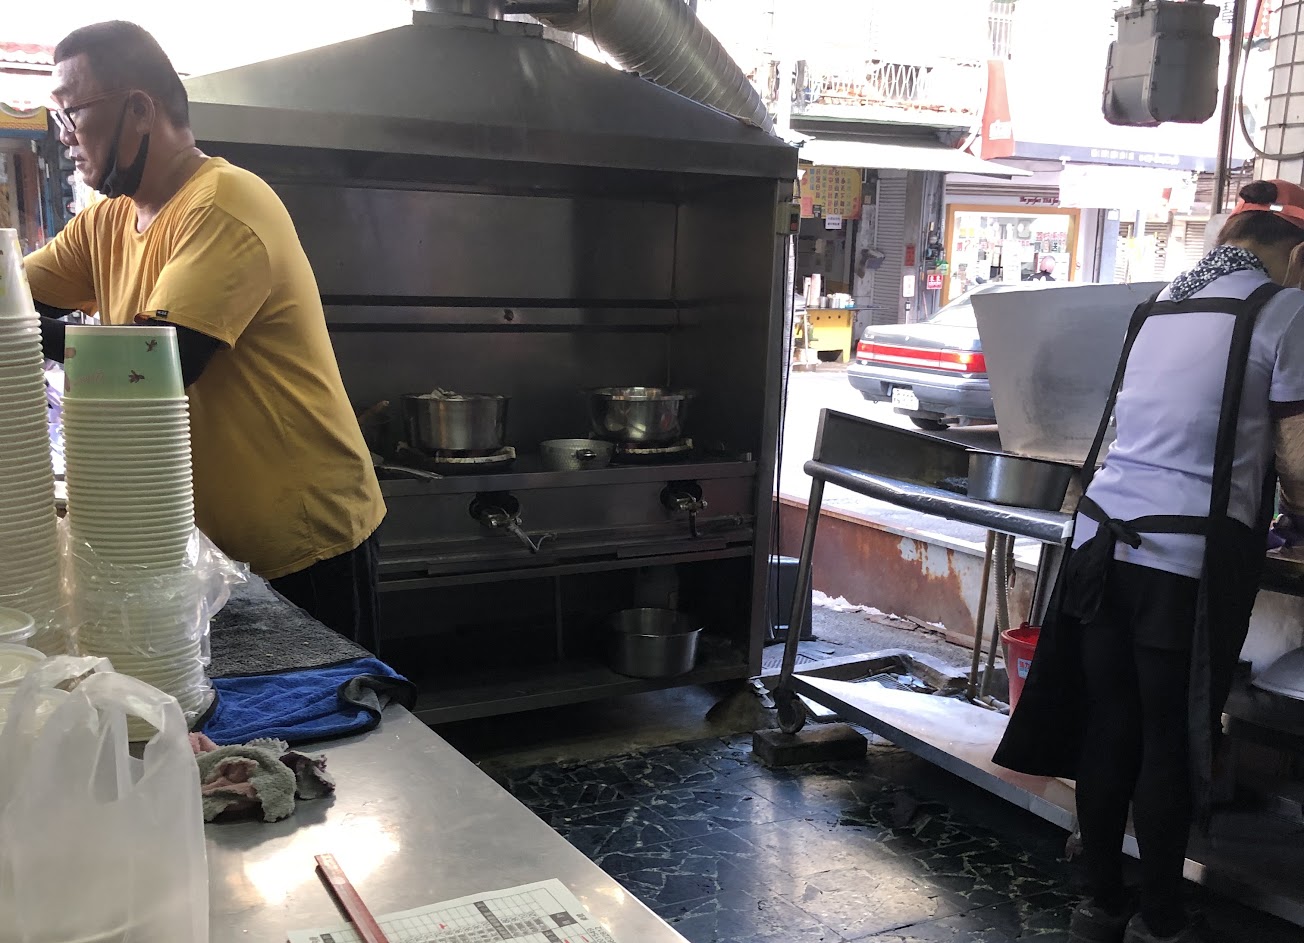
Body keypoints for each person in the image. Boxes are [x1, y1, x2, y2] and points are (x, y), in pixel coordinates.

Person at [994, 179, 1304, 943]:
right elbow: (1299, 456)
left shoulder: (1164, 304)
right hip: (1181, 562)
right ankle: (1162, 920)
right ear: (1295, 256)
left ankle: (1101, 903)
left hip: (1101, 544)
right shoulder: (1283, 310)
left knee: (1112, 723)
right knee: (1170, 735)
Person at [25, 21, 386, 650]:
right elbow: (16, 292)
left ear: (140, 109)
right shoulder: (108, 221)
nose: (65, 137)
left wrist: (17, 333)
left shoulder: (224, 204)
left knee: (323, 705)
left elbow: (159, 363)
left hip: (300, 540)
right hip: (208, 555)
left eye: (72, 113)